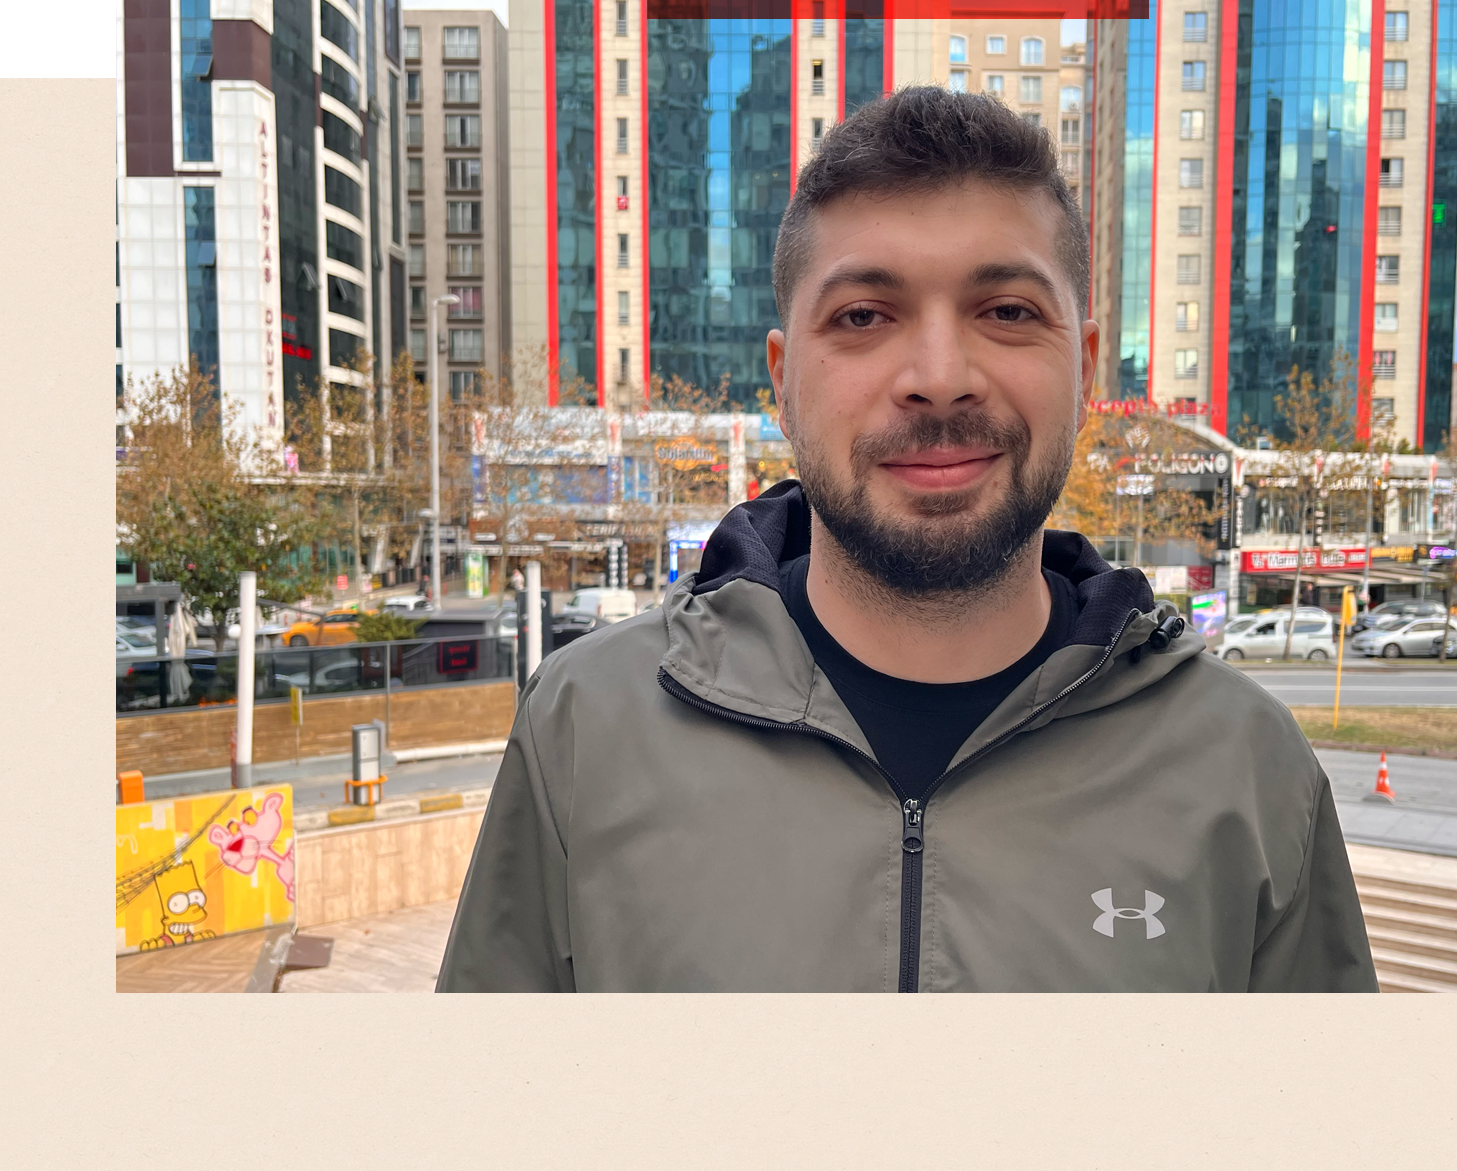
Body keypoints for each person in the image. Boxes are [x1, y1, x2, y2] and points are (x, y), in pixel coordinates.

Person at [437, 86, 1377, 993]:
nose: (938, 377)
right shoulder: (585, 730)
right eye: (863, 317)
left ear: (1085, 366)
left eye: (1006, 311)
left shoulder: (1248, 771)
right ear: (781, 378)